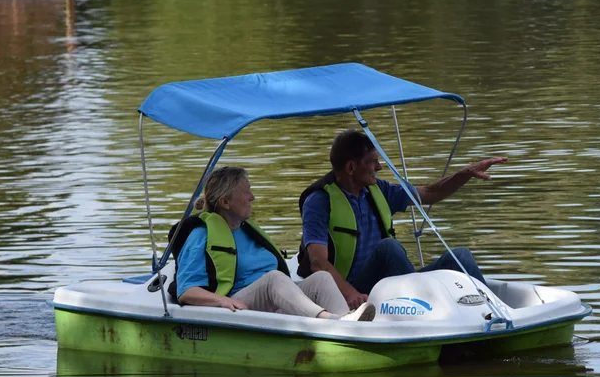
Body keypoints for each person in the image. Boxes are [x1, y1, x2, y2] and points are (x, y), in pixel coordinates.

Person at [298, 130, 508, 309]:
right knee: (389, 247)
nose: (379, 167)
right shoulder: (319, 201)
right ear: (351, 168)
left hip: (389, 285)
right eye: (372, 162)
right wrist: (351, 293)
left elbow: (431, 192)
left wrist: (465, 173)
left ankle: (499, 312)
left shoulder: (378, 190)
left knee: (460, 256)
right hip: (349, 291)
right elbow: (318, 262)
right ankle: (427, 311)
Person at [172, 166, 375, 321]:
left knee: (321, 277)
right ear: (225, 202)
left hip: (273, 298)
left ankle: (348, 324)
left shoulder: (248, 230)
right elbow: (186, 291)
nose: (252, 197)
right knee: (274, 279)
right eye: (246, 192)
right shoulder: (200, 234)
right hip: (239, 303)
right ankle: (330, 321)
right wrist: (223, 300)